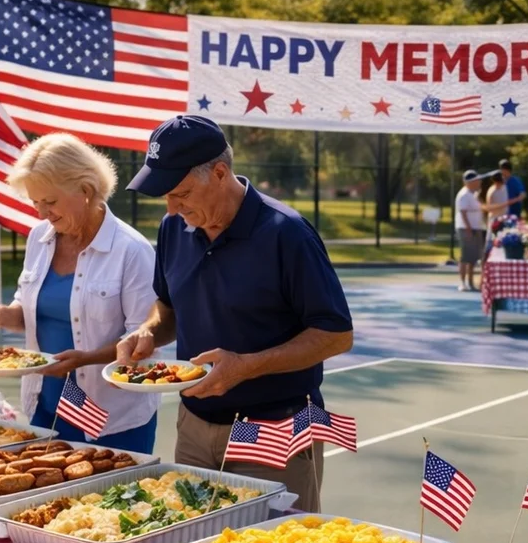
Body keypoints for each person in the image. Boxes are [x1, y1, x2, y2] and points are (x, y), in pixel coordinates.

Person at [118, 115, 353, 511]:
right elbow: (168, 307)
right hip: (193, 424)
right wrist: (148, 332)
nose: (171, 208)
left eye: (180, 193)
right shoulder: (173, 228)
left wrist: (245, 366)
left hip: (275, 429)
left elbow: (336, 334)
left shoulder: (287, 233)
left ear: (220, 173)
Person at [0, 133, 160, 452]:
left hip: (112, 419)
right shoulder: (38, 238)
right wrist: (3, 315)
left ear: (85, 190)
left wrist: (85, 360)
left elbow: (144, 341)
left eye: (51, 202)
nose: (42, 213)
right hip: (45, 407)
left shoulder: (132, 250)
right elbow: (32, 310)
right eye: (35, 202)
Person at [455, 170, 486, 291]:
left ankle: (471, 282)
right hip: (465, 228)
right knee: (465, 256)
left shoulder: (475, 194)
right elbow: (463, 213)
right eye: (476, 180)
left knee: (473, 257)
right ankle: (463, 283)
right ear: (470, 182)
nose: (479, 182)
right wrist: (468, 229)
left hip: (476, 227)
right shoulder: (464, 194)